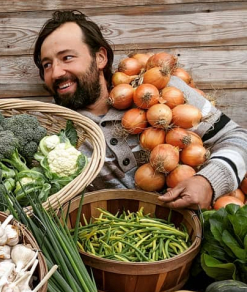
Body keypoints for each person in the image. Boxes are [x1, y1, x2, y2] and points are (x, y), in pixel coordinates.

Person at [33, 10, 247, 209]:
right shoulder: (55, 140)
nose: (56, 72)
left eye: (67, 57)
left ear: (100, 58)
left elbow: (239, 138)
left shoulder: (164, 93)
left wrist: (208, 181)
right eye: (47, 65)